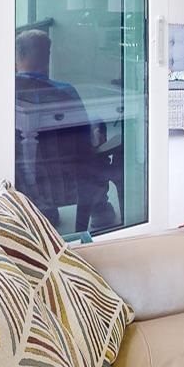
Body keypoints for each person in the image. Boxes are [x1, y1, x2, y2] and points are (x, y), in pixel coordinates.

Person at [13, 29, 118, 233]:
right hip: (70, 182)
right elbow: (85, 141)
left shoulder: (8, 92)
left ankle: (45, 207)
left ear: (18, 57)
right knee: (97, 128)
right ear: (47, 57)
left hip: (28, 184)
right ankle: (99, 208)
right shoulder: (64, 92)